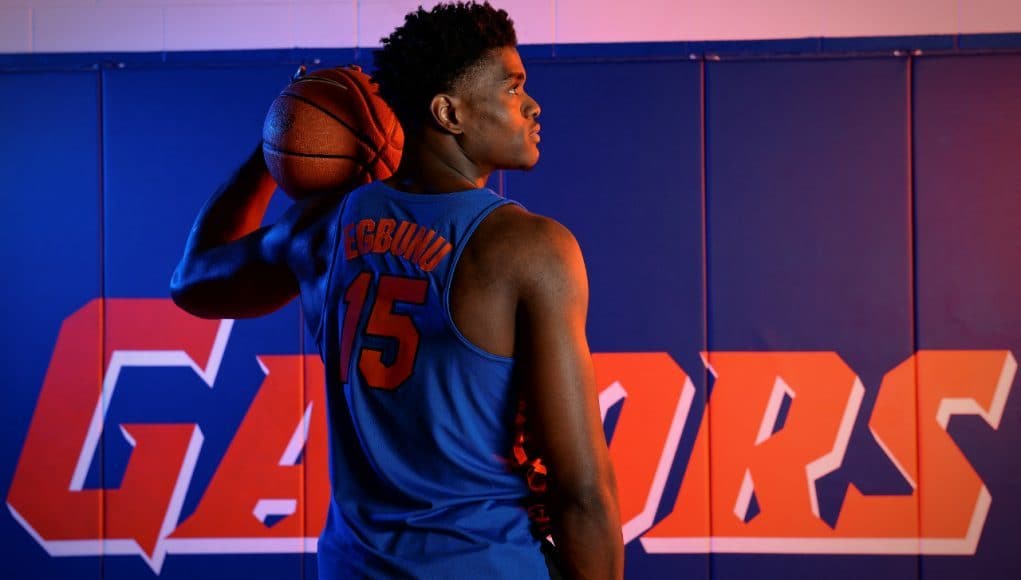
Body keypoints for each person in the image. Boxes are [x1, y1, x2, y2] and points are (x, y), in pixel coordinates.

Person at [170, 2, 622, 578]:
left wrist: (271, 146)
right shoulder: (531, 249)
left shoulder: (321, 229)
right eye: (512, 88)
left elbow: (193, 280)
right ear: (447, 112)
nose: (532, 105)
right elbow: (582, 490)